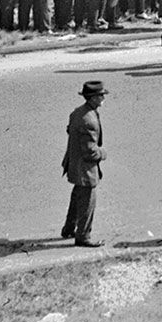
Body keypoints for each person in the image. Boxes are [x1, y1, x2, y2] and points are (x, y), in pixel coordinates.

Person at [62, 79, 107, 248]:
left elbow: (69, 130)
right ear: (93, 98)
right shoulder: (90, 120)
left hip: (73, 163)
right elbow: (91, 152)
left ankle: (68, 228)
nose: (103, 97)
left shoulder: (77, 112)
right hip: (85, 169)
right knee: (88, 201)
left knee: (77, 197)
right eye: (101, 95)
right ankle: (83, 236)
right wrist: (103, 153)